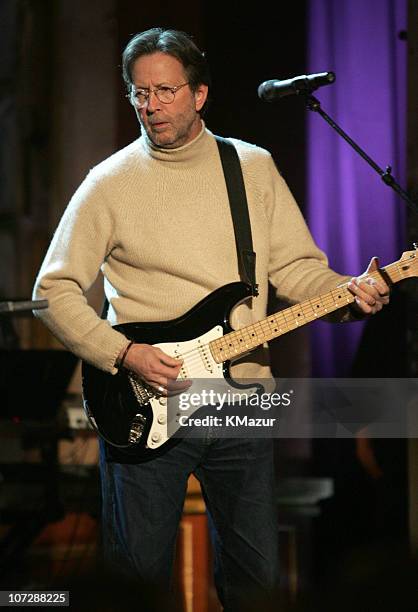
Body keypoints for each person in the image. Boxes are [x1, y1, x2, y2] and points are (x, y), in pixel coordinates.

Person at [32, 28, 389, 611]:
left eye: (165, 91)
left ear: (200, 95)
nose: (150, 105)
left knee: (254, 582)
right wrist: (123, 354)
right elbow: (54, 290)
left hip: (240, 400)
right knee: (137, 583)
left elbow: (298, 270)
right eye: (139, 93)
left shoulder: (251, 167)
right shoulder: (108, 182)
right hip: (144, 396)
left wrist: (347, 296)